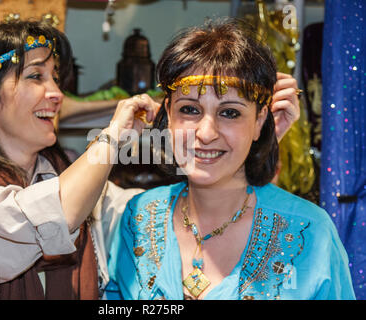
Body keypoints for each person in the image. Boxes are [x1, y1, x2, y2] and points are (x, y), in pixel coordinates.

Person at [0, 20, 299, 300]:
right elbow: (44, 216)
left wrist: (251, 140)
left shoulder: (80, 184)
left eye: (56, 78)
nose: (55, 94)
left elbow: (170, 215)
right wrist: (112, 139)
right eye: (36, 76)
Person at [106, 19, 356, 300]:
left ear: (260, 120)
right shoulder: (139, 217)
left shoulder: (311, 231)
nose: (207, 133)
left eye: (230, 113)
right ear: (169, 115)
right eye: (189, 109)